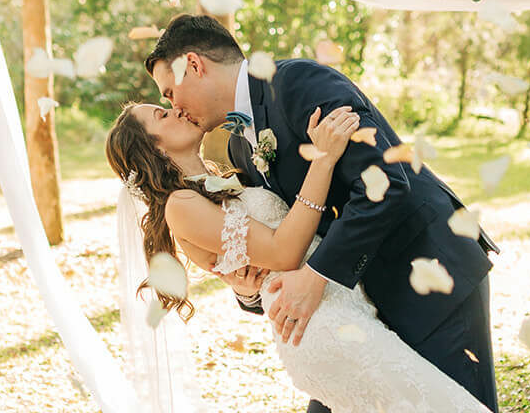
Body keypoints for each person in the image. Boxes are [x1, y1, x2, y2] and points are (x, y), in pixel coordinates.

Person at [107, 99, 493, 411]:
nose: (174, 108)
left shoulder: (223, 175)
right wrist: (322, 160)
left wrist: (245, 288)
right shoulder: (179, 205)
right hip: (318, 326)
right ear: (152, 147)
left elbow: (257, 262)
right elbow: (284, 250)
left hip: (341, 308)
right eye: (161, 114)